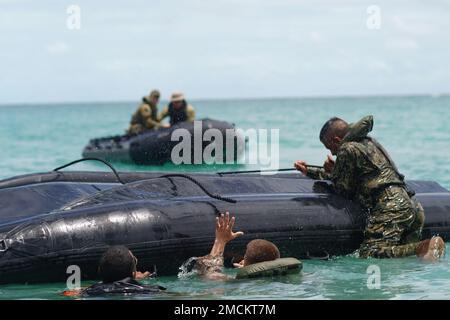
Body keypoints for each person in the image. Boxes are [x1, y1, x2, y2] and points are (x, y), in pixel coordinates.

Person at [294, 115, 445, 261]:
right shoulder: (369, 141)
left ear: (336, 140)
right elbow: (367, 175)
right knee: (400, 253)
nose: (332, 153)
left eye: (330, 148)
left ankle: (423, 247)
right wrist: (314, 171)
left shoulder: (347, 148)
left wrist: (330, 173)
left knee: (370, 253)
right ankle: (422, 251)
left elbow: (342, 189)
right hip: (411, 204)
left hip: (390, 205)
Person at [191, 212, 281, 280]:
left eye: (245, 256)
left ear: (244, 259)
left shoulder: (234, 282)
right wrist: (247, 267)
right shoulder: (276, 278)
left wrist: (220, 241)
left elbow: (206, 270)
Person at [62, 245, 165, 297]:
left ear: (99, 270)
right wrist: (134, 281)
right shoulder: (151, 290)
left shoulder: (90, 291)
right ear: (133, 272)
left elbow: (65, 293)